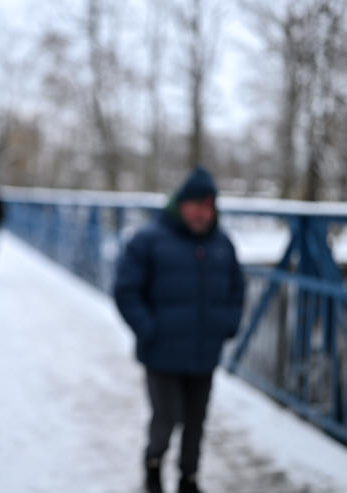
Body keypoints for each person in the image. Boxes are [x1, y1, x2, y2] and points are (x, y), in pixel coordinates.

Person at [113, 167, 245, 493]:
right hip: (162, 352)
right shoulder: (148, 239)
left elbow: (237, 289)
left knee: (196, 421)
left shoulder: (222, 243)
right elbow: (126, 290)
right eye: (196, 205)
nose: (202, 213)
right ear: (180, 204)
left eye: (208, 207)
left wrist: (228, 325)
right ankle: (153, 466)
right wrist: (149, 329)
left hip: (204, 351)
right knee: (166, 418)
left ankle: (189, 479)